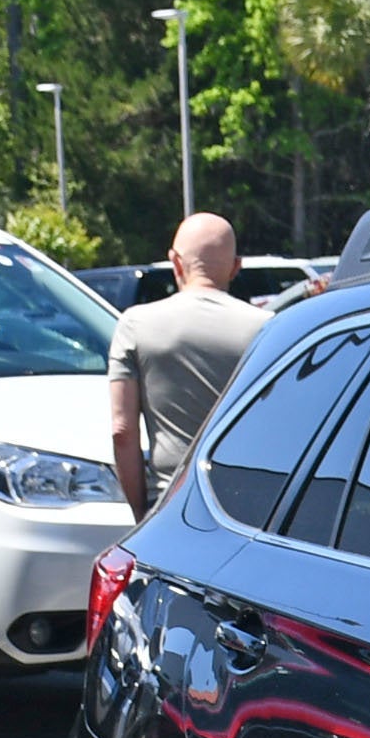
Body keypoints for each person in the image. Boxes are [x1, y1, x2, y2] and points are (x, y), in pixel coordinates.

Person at [108, 213, 268, 516]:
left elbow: (122, 431)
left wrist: (143, 513)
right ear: (236, 267)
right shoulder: (267, 329)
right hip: (246, 506)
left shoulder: (135, 324)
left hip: (169, 503)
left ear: (175, 262)